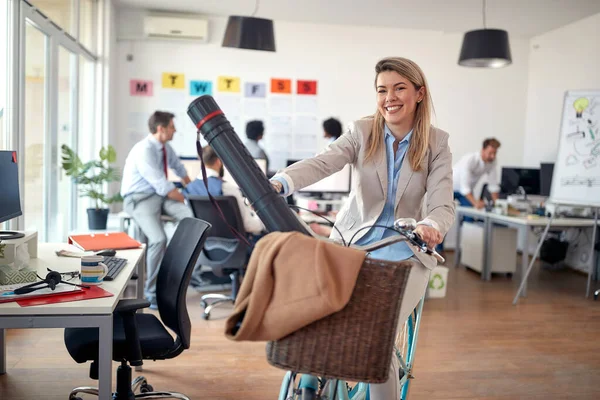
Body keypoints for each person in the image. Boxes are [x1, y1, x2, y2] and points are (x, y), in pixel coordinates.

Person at [270, 56, 455, 399]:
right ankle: (310, 386)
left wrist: (431, 224)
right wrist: (281, 182)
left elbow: (443, 202)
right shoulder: (362, 131)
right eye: (382, 90)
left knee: (376, 342)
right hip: (352, 245)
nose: (390, 97)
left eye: (400, 88)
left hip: (406, 252)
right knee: (314, 314)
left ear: (419, 93)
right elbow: (323, 162)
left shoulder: (436, 143)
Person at [120, 111, 193, 310]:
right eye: (172, 127)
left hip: (159, 197)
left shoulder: (165, 148)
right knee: (158, 239)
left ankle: (176, 269)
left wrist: (193, 190)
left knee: (191, 217)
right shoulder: (143, 149)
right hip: (139, 198)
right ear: (161, 128)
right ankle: (151, 293)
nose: (175, 130)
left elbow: (179, 169)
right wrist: (187, 196)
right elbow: (161, 183)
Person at [184, 145, 266, 236]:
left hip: (205, 245)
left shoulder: (189, 189)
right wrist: (263, 218)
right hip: (238, 245)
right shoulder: (226, 188)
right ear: (218, 162)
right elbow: (250, 226)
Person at [452, 138, 501, 209]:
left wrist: (498, 206)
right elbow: (464, 186)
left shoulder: (492, 162)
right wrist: (476, 203)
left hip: (465, 191)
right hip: (450, 188)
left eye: (495, 153)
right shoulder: (470, 159)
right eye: (490, 153)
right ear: (483, 150)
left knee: (470, 215)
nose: (493, 156)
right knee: (442, 214)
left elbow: (493, 185)